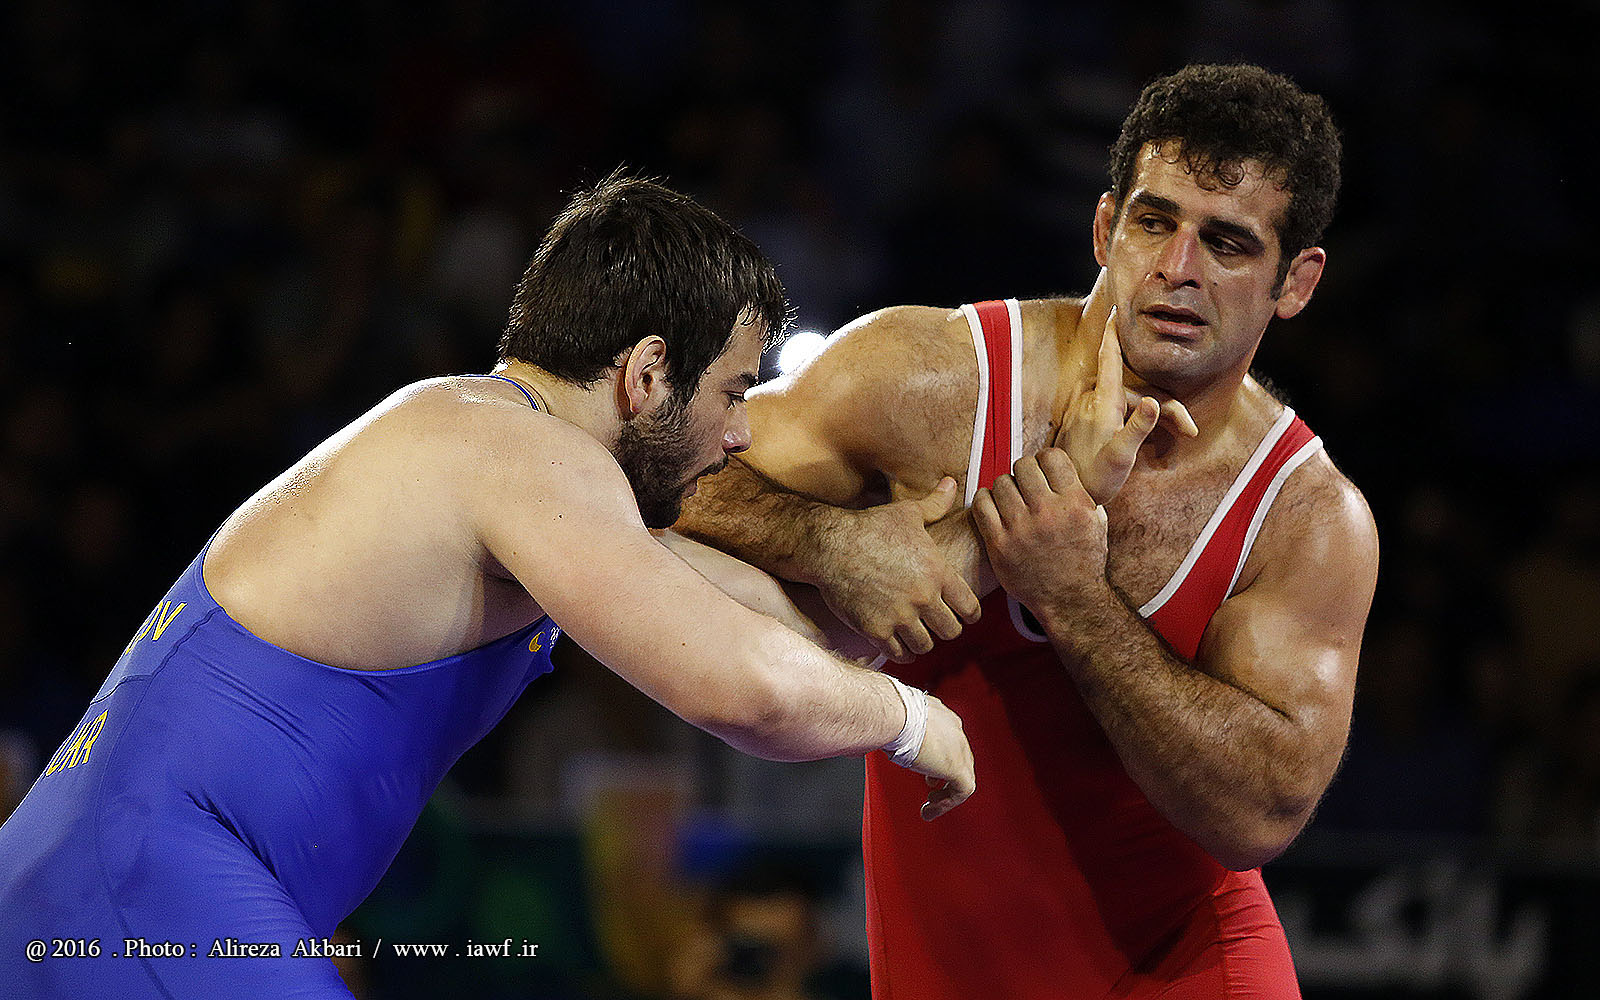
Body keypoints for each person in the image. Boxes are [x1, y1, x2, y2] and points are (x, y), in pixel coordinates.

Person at [0, 172, 975, 999]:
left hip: (101, 885)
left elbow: (802, 638)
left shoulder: (525, 478)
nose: (740, 433)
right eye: (732, 390)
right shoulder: (516, 451)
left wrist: (977, 542)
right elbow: (747, 690)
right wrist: (912, 721)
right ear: (646, 373)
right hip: (138, 886)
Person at [674, 64, 1379, 998]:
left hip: (1190, 970)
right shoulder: (937, 382)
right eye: (1154, 222)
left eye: (1227, 243)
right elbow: (660, 476)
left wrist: (1073, 597)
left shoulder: (1304, 518)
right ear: (1104, 227)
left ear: (1296, 282)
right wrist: (827, 542)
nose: (1178, 268)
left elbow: (1259, 814)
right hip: (939, 967)